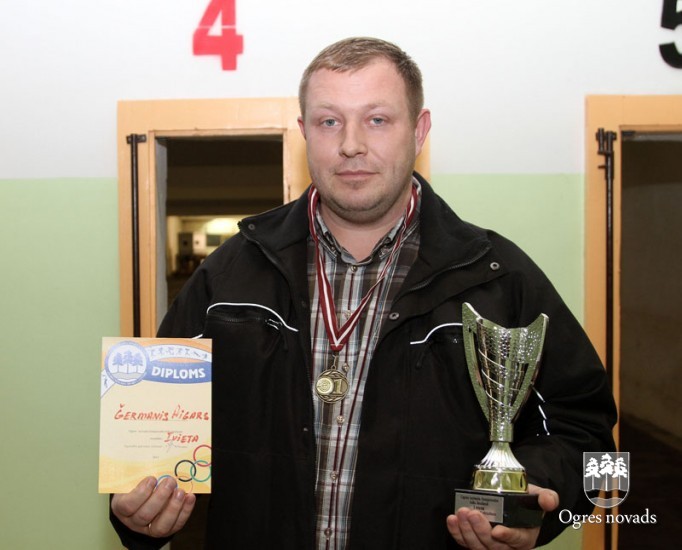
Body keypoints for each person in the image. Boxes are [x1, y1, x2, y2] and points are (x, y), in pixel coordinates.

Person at [111, 37, 617, 549]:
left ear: (419, 130)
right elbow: (151, 435)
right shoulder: (229, 275)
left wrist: (533, 500)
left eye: (377, 119)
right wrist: (137, 510)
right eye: (329, 121)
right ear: (304, 132)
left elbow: (594, 440)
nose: (351, 144)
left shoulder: (497, 277)